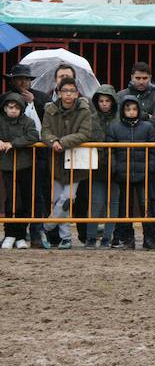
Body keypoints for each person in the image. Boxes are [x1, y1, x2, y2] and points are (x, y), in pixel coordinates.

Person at [40, 77, 93, 249]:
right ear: (59, 93)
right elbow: (45, 131)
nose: (68, 94)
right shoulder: (50, 110)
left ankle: (45, 227)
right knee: (57, 200)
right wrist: (53, 140)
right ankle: (66, 237)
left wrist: (63, 142)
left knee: (68, 198)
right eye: (65, 91)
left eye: (72, 91)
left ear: (77, 93)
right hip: (56, 160)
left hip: (76, 161)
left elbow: (85, 133)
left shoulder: (84, 110)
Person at [3, 63, 52, 247]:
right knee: (14, 197)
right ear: (13, 80)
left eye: (27, 79)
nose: (24, 82)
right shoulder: (5, 99)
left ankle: (37, 233)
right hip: (12, 155)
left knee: (37, 196)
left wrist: (34, 102)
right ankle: (14, 233)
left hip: (38, 154)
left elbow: (49, 120)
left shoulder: (41, 97)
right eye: (20, 78)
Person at [108, 96, 155, 250]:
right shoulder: (115, 128)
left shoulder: (148, 127)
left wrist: (150, 169)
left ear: (138, 110)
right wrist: (115, 169)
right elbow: (110, 151)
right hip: (123, 175)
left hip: (144, 175)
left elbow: (154, 151)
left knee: (147, 206)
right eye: (128, 109)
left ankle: (150, 238)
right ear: (122, 111)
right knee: (125, 207)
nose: (131, 112)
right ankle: (126, 238)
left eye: (134, 109)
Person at [0, 93, 40, 249]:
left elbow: (34, 136)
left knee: (24, 200)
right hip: (7, 166)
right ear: (4, 108)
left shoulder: (27, 121)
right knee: (11, 200)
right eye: (10, 107)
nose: (13, 110)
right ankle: (9, 234)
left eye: (17, 107)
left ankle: (21, 235)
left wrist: (13, 143)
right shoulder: (1, 120)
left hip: (25, 165)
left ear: (21, 109)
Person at [88, 84, 120, 248]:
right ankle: (91, 237)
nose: (104, 104)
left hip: (116, 167)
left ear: (113, 101)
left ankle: (108, 237)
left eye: (107, 100)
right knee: (96, 202)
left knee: (113, 203)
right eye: (101, 100)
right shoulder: (91, 118)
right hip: (97, 166)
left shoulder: (119, 118)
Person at [117, 62, 155, 131]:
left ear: (150, 78)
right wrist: (147, 116)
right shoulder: (121, 96)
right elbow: (117, 121)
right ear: (132, 77)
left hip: (151, 140)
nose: (141, 82)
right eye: (138, 78)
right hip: (125, 139)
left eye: (144, 78)